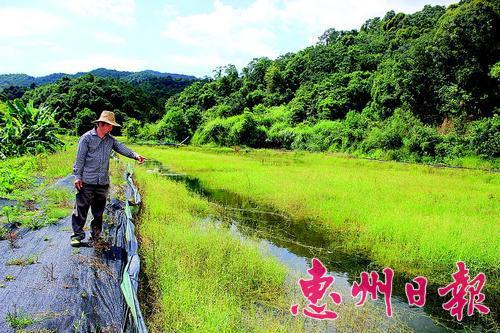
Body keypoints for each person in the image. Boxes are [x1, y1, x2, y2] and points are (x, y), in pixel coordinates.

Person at [71, 110, 145, 247]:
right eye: (110, 125)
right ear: (102, 124)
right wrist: (77, 177)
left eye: (111, 126)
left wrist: (135, 155)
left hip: (102, 182)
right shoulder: (86, 138)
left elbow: (122, 148)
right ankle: (77, 235)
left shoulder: (110, 140)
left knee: (98, 212)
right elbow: (79, 160)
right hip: (87, 181)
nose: (111, 128)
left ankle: (96, 236)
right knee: (81, 209)